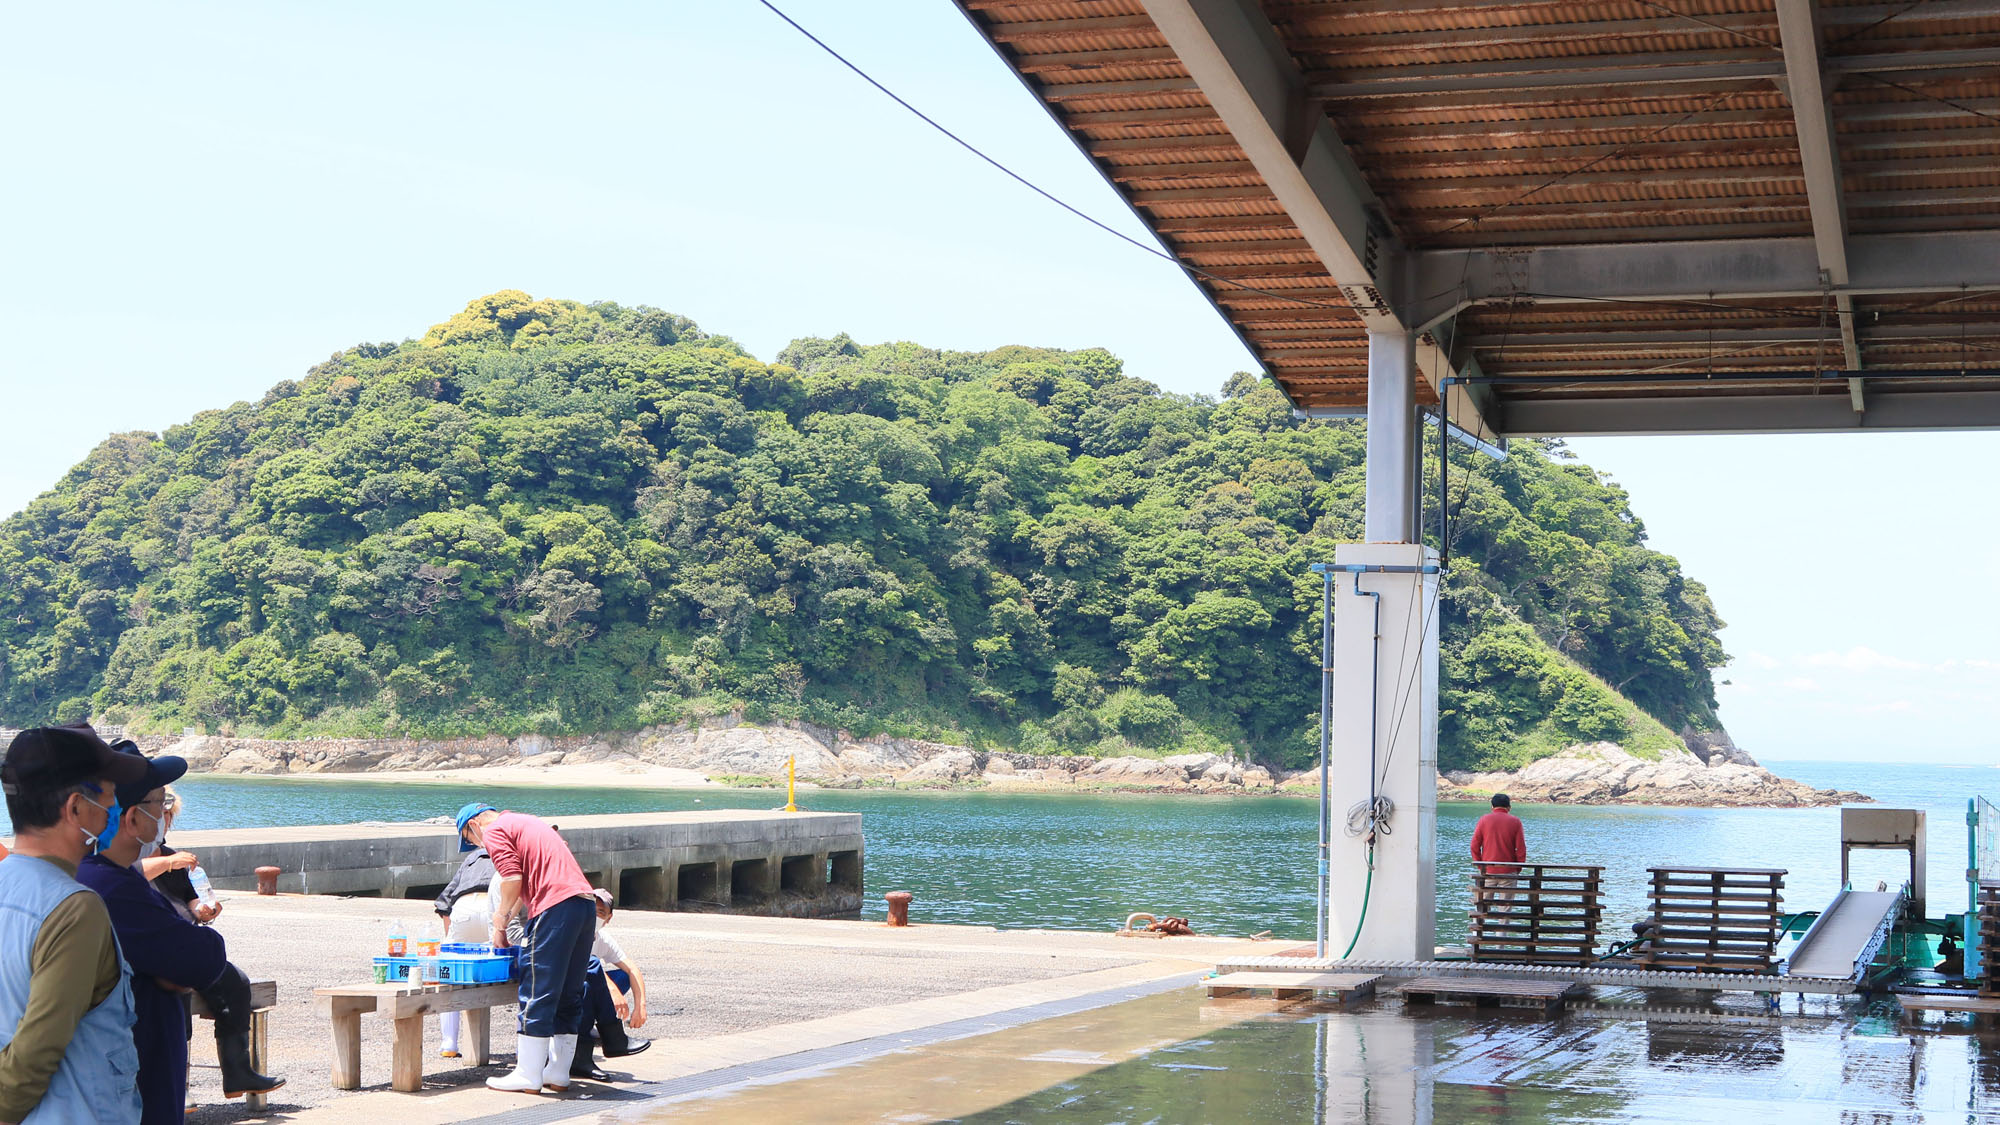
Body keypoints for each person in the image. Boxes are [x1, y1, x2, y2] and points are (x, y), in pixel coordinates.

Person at [76, 744, 283, 1122]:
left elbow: (189, 956)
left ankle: (237, 1069)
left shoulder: (114, 876)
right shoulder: (109, 885)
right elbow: (199, 958)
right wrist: (178, 963)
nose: (165, 813)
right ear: (132, 819)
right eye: (160, 803)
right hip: (133, 1087)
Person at [0, 723, 150, 1124]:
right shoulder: (73, 909)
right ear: (76, 809)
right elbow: (34, 1056)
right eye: (110, 797)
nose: (114, 810)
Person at [455, 802, 598, 1093]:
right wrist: (503, 925)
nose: (479, 846)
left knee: (537, 989)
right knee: (568, 992)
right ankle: (558, 1073)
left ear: (473, 825)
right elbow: (524, 883)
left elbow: (511, 878)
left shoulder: (493, 829)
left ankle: (528, 1073)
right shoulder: (529, 822)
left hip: (555, 907)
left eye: (471, 841)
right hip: (584, 904)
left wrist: (499, 919)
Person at [571, 888, 650, 1081]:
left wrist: (640, 1006)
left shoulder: (602, 938)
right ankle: (609, 1038)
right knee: (591, 979)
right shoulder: (574, 930)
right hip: (566, 986)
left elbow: (632, 968)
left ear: (609, 918)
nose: (595, 916)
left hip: (584, 985)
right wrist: (612, 990)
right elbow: (583, 963)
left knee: (622, 975)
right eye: (592, 910)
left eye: (601, 912)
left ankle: (608, 1037)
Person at [432, 843, 496, 1059]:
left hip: (463, 907)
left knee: (450, 975)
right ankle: (522, 1048)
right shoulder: (513, 852)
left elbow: (444, 904)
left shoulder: (472, 858)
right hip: (492, 906)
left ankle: (449, 1042)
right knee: (517, 967)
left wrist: (451, 944)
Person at [1470, 792, 1527, 916]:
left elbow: (1474, 845)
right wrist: (1518, 868)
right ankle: (1502, 934)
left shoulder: (1484, 819)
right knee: (1505, 909)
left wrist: (1481, 865)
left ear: (1492, 807)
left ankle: (1480, 932)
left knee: (1482, 905)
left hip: (1488, 870)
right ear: (1509, 808)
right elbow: (1521, 849)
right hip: (1509, 871)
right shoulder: (1515, 821)